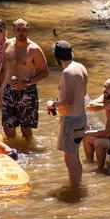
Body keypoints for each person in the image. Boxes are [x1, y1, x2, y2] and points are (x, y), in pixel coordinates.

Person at [0, 18, 49, 140]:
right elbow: (3, 69)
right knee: (8, 128)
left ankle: (28, 154)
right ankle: (14, 152)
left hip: (28, 92)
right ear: (13, 30)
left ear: (28, 29)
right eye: (18, 29)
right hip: (9, 91)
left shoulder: (34, 49)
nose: (21, 32)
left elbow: (45, 72)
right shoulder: (7, 44)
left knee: (26, 129)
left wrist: (27, 82)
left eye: (24, 29)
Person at [45, 41, 88, 190]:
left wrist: (53, 104)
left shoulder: (67, 72)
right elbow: (82, 94)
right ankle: (75, 186)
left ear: (57, 58)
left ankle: (75, 190)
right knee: (71, 155)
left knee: (72, 157)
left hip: (71, 122)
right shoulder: (80, 67)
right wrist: (59, 103)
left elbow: (69, 100)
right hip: (80, 118)